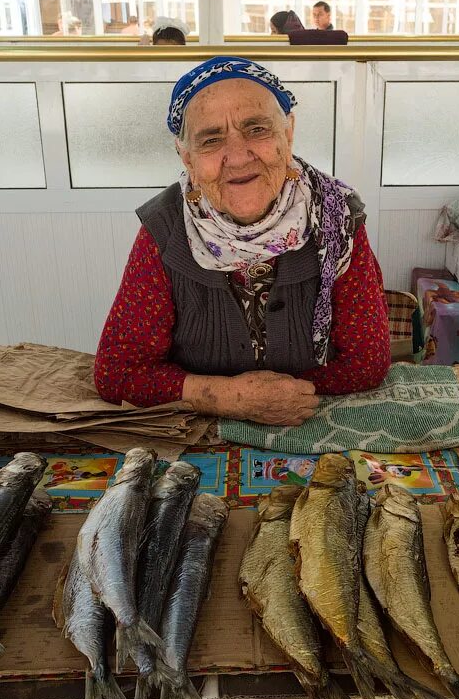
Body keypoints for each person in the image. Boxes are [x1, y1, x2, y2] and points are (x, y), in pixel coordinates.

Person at [94, 56, 391, 426]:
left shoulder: (337, 218)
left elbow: (368, 362)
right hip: (202, 436)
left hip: (313, 422)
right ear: (187, 157)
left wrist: (280, 397)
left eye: (256, 129)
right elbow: (118, 372)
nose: (236, 157)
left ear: (289, 133)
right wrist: (229, 398)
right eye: (211, 139)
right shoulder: (165, 230)